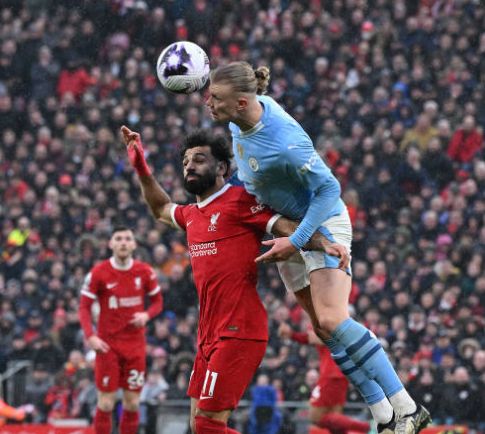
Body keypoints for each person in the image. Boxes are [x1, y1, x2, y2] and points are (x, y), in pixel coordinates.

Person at [206, 61, 431, 434]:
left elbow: (329, 190)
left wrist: (297, 241)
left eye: (216, 98)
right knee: (323, 330)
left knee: (331, 319)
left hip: (320, 222)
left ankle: (408, 408)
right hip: (288, 227)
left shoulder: (285, 143)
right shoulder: (237, 122)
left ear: (243, 102)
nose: (208, 103)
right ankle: (384, 417)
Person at [120, 125, 346, 434]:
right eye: (186, 161)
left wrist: (325, 243)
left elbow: (285, 228)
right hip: (208, 334)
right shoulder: (192, 215)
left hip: (239, 328)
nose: (190, 166)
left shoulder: (240, 201)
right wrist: (140, 166)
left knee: (207, 425)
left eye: (199, 159)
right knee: (197, 424)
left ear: (222, 167)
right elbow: (160, 208)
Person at [79, 226, 163, 434]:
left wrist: (146, 315)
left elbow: (157, 302)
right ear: (111, 244)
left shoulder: (144, 272)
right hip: (108, 347)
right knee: (106, 403)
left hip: (135, 347)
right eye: (118, 239)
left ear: (134, 244)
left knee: (133, 403)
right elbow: (84, 307)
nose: (123, 242)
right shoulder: (99, 273)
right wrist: (90, 336)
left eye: (127, 238)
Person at [278, 322, 370, 434]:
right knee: (334, 422)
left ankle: (365, 426)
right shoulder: (332, 336)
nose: (309, 334)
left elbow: (311, 338)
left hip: (331, 377)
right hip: (340, 377)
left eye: (311, 331)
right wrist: (291, 334)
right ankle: (363, 428)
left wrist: (292, 334)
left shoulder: (329, 335)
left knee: (314, 417)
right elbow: (307, 338)